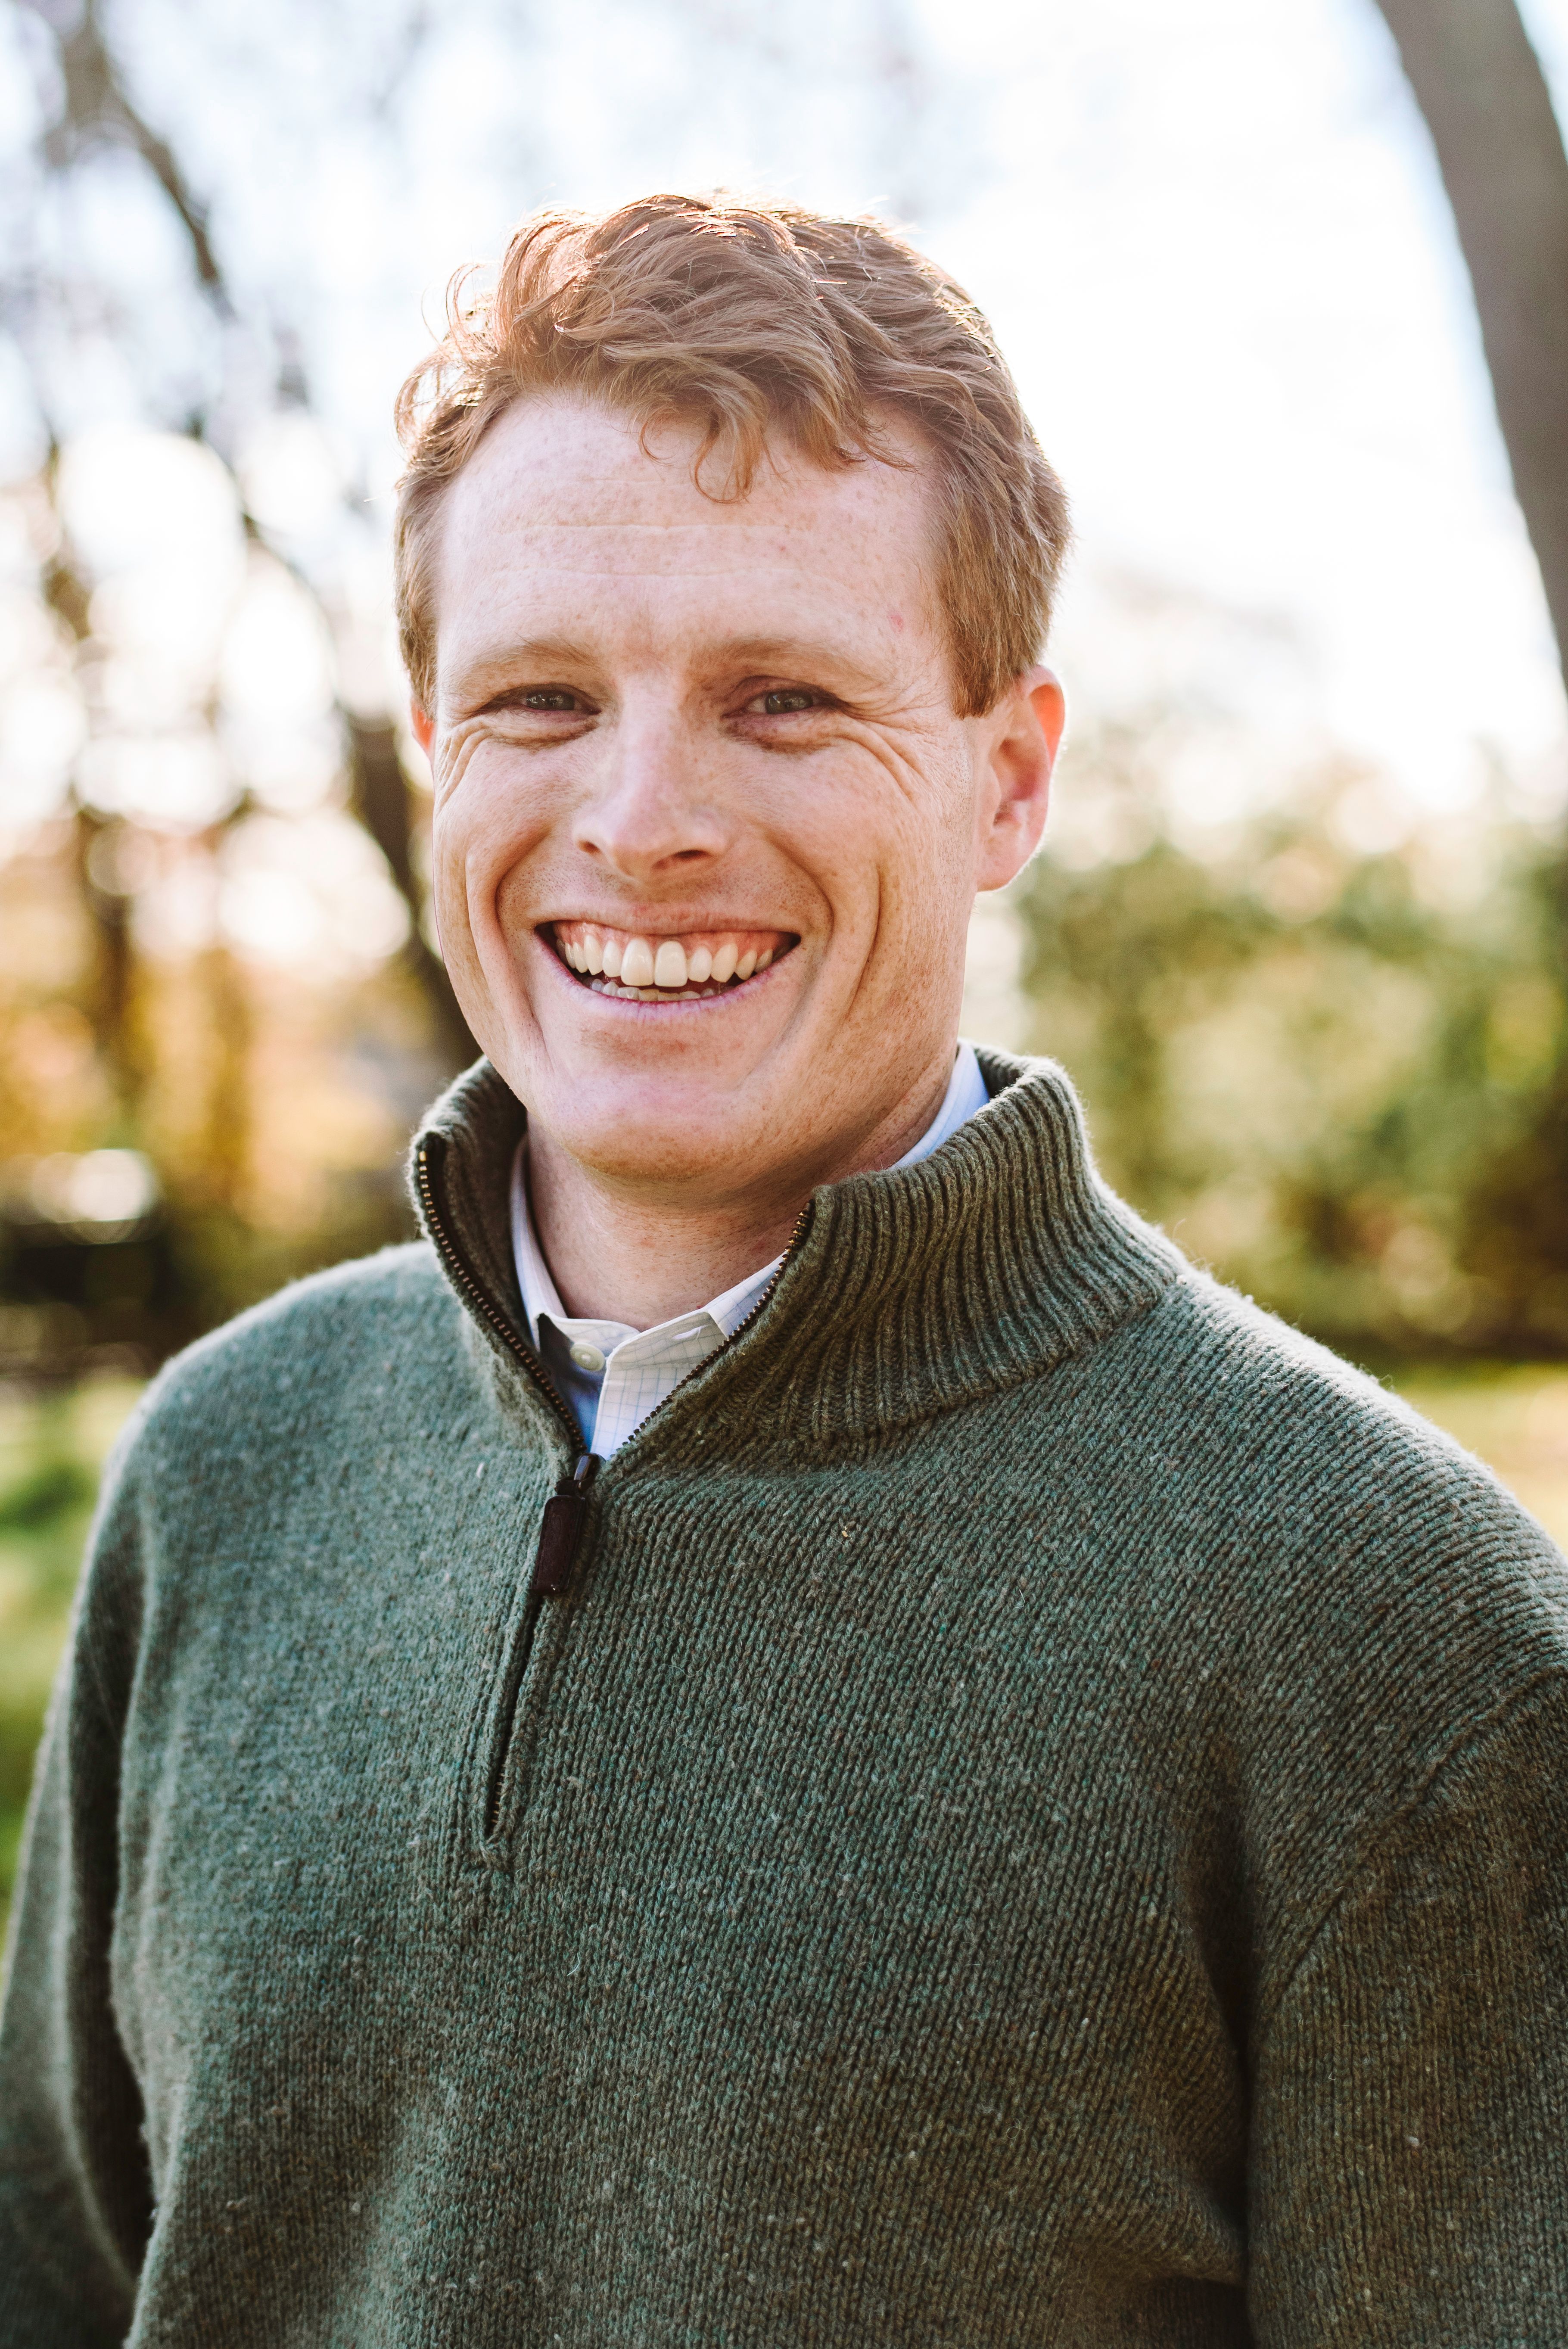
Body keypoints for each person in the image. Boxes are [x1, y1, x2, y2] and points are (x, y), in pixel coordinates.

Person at [2, 193, 1565, 2349]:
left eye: (782, 699)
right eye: (541, 696)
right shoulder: (222, 1471)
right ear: (433, 741)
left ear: (1005, 777)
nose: (642, 817)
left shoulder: (1389, 1634)